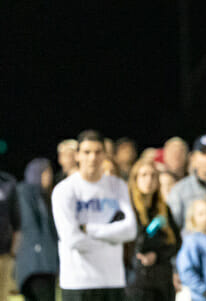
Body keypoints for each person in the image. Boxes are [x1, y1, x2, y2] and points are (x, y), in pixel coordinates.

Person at [51, 129, 137, 300]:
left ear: (105, 155)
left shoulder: (118, 186)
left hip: (113, 281)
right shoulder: (64, 190)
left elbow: (130, 230)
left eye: (98, 152)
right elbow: (72, 239)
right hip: (78, 282)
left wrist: (89, 229)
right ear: (77, 156)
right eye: (87, 152)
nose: (92, 157)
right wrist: (112, 240)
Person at [126, 158, 181, 301]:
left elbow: (176, 242)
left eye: (153, 176)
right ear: (135, 179)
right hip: (136, 282)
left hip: (162, 281)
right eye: (144, 175)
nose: (149, 180)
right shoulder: (128, 208)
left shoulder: (163, 209)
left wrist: (157, 255)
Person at [15, 159, 59, 301]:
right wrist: (40, 250)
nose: (49, 177)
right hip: (36, 263)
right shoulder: (25, 192)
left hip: (47, 263)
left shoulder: (46, 195)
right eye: (45, 172)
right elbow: (29, 224)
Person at [0, 168, 20, 301]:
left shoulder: (7, 183)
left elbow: (17, 220)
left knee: (2, 294)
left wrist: (15, 247)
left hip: (4, 250)